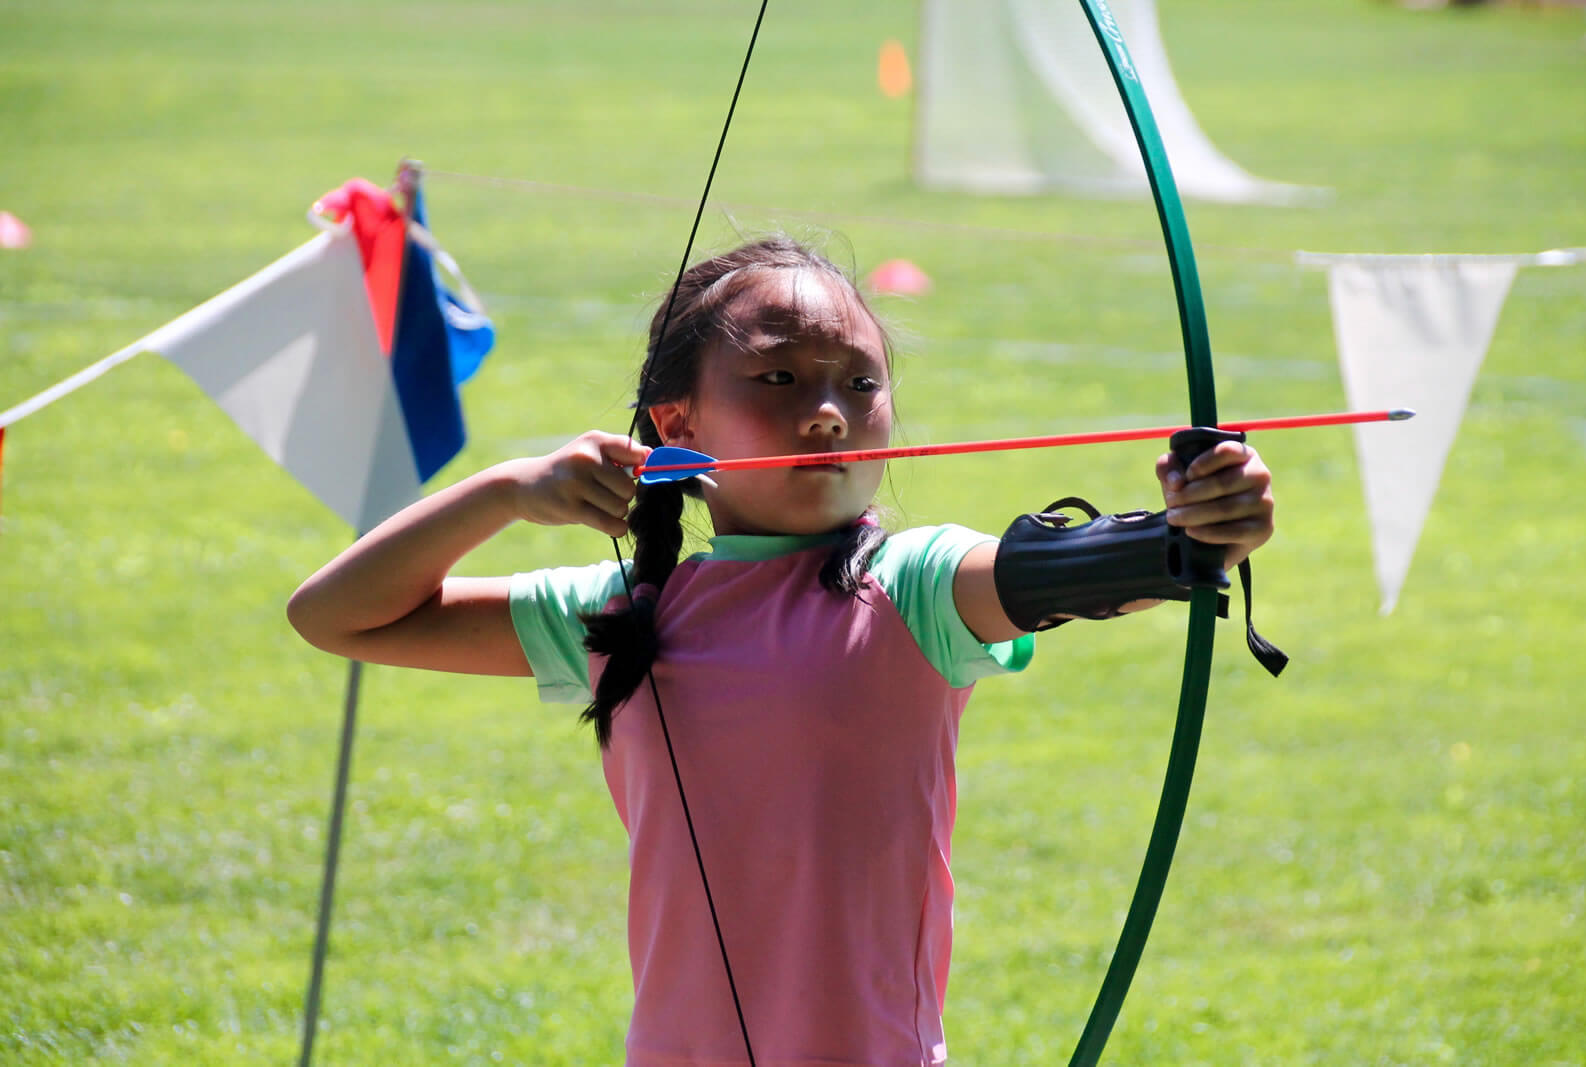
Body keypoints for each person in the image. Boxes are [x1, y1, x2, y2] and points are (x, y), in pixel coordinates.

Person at [287, 234, 1275, 1066]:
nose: (828, 410)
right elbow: (337, 614)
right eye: (779, 377)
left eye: (860, 382)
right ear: (678, 427)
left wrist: (1191, 532)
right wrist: (504, 489)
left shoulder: (916, 584)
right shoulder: (622, 608)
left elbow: (1062, 569)